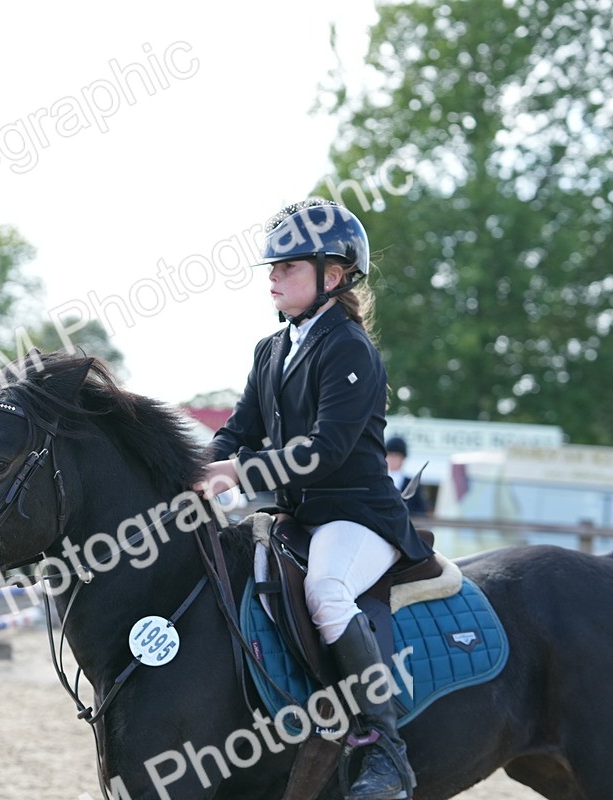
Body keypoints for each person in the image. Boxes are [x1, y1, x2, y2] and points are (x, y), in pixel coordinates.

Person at [197, 199, 429, 800]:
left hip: (358, 516)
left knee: (325, 590)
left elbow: (324, 449)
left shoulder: (349, 347)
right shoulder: (271, 350)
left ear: (333, 275)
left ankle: (385, 748)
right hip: (296, 516)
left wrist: (238, 471)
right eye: (272, 267)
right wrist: (201, 466)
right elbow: (237, 430)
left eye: (289, 266)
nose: (272, 276)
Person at [385, 436, 428, 517]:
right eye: (390, 455)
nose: (392, 459)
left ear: (403, 458)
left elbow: (420, 510)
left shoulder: (411, 483)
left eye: (396, 455)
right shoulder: (379, 479)